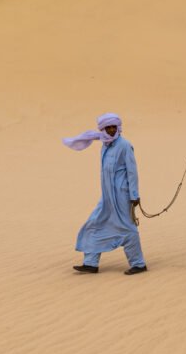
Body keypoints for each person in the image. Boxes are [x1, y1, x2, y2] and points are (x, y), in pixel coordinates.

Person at [61, 113, 147, 275]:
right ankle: (91, 263)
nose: (112, 130)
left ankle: (139, 264)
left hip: (122, 195)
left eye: (114, 127)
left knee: (127, 228)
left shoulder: (124, 145)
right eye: (109, 127)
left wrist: (134, 195)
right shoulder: (105, 145)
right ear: (103, 129)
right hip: (107, 196)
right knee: (94, 223)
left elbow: (132, 172)